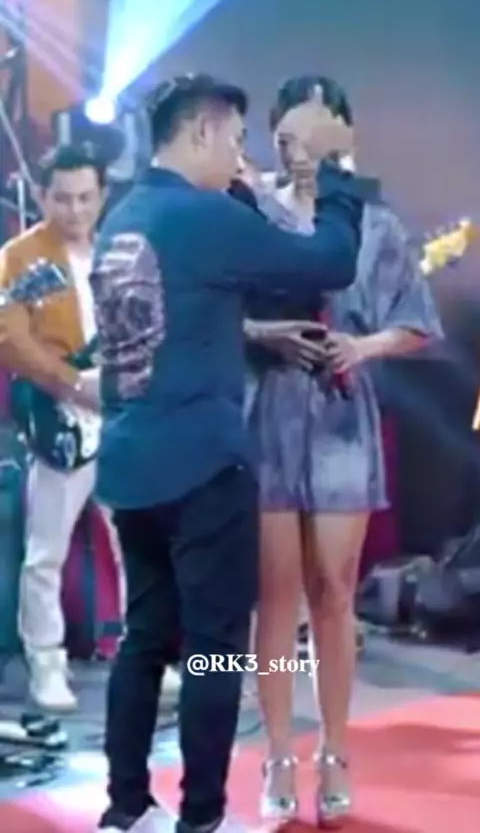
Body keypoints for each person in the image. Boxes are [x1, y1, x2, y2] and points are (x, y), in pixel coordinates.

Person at [89, 72, 376, 833]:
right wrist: (339, 172)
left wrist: (253, 331)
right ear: (203, 131)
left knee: (143, 642)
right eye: (236, 139)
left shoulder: (124, 215)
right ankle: (202, 818)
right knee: (214, 653)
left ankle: (125, 808)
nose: (240, 155)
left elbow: (172, 316)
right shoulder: (203, 215)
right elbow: (329, 261)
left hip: (130, 466)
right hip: (202, 469)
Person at [243, 76, 443, 827]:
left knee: (333, 591)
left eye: (320, 132)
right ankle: (276, 755)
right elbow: (214, 311)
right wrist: (262, 336)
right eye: (291, 134)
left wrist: (364, 346)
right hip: (266, 413)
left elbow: (415, 322)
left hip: (340, 418)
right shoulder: (249, 214)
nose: (304, 149)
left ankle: (333, 749)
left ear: (343, 138)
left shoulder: (376, 224)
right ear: (274, 136)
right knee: (274, 596)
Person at [0, 144, 110, 711]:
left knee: (137, 541)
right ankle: (46, 662)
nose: (75, 210)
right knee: (46, 549)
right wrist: (72, 385)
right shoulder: (20, 258)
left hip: (122, 412)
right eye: (62, 199)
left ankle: (141, 652)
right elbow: (10, 339)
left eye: (86, 198)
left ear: (103, 196)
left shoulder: (117, 251)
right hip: (61, 412)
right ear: (41, 197)